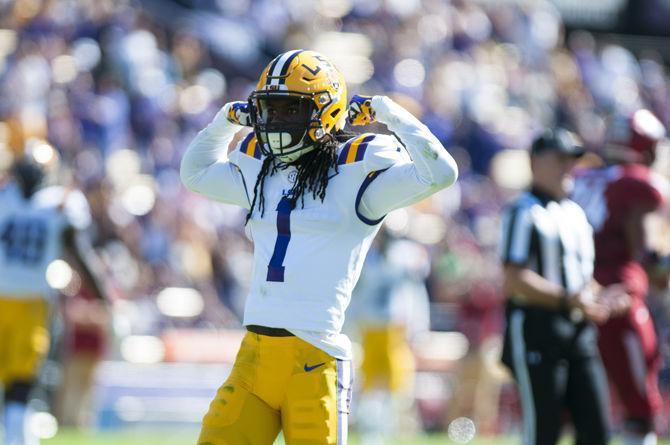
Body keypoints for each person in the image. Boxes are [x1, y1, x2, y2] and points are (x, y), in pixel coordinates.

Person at [180, 49, 458, 444]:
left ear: (327, 112)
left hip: (314, 359)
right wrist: (224, 121)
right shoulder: (261, 170)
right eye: (269, 110)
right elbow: (195, 173)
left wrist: (389, 114)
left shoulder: (356, 176)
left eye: (290, 110)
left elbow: (441, 173)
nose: (275, 123)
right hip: (254, 357)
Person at [499, 129, 611, 445]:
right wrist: (568, 300)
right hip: (538, 328)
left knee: (596, 430)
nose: (567, 168)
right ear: (535, 162)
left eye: (571, 161)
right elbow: (513, 279)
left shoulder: (575, 212)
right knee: (543, 431)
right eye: (559, 159)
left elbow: (581, 277)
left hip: (579, 331)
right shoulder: (523, 210)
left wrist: (604, 296)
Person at [572, 109, 669, 445]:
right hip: (618, 299)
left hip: (574, 300)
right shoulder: (637, 184)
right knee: (639, 407)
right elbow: (647, 254)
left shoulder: (582, 176)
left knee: (578, 410)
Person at [0, 153, 107, 445]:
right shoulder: (58, 205)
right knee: (21, 379)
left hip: (13, 298)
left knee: (18, 379)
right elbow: (80, 253)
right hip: (31, 302)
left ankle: (13, 435)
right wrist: (102, 294)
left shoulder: (8, 201)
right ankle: (14, 437)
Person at [346, 228, 430, 445]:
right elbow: (354, 292)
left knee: (394, 381)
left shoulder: (404, 258)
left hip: (394, 327)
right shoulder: (366, 257)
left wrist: (418, 324)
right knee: (369, 381)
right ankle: (371, 429)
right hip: (371, 325)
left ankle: (385, 428)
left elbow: (414, 293)